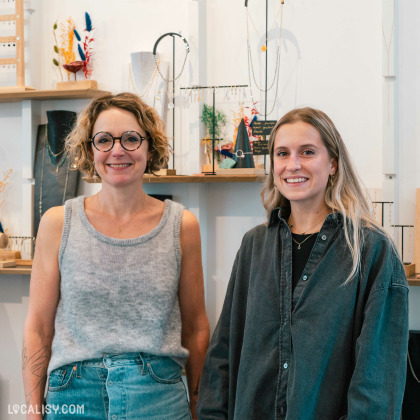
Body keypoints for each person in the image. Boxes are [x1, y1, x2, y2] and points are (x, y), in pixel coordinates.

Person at [197, 107, 409, 420]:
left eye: (307, 152)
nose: (293, 164)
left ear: (333, 163)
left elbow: (377, 381)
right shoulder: (254, 245)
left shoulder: (371, 250)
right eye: (282, 153)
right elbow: (224, 352)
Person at [22, 92, 210, 420]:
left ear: (150, 147)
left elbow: (195, 327)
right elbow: (38, 327)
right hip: (73, 398)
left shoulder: (181, 225)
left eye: (131, 139)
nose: (117, 150)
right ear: (90, 149)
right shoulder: (57, 223)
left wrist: (199, 407)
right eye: (104, 140)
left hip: (158, 398)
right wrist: (33, 412)